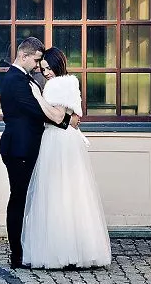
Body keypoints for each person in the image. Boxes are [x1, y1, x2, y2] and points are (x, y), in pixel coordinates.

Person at [22, 47, 112, 269]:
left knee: (56, 193)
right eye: (43, 69)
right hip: (68, 141)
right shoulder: (70, 83)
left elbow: (56, 116)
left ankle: (59, 251)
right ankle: (78, 248)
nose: (47, 73)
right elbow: (71, 117)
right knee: (73, 193)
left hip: (57, 140)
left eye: (49, 68)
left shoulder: (56, 85)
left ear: (58, 65)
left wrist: (36, 97)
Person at [0, 37, 79, 269]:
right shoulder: (14, 80)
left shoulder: (23, 79)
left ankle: (26, 249)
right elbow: (36, 110)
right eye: (35, 60)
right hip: (19, 149)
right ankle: (17, 255)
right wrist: (67, 121)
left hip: (25, 147)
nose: (38, 65)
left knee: (26, 199)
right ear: (24, 56)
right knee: (19, 200)